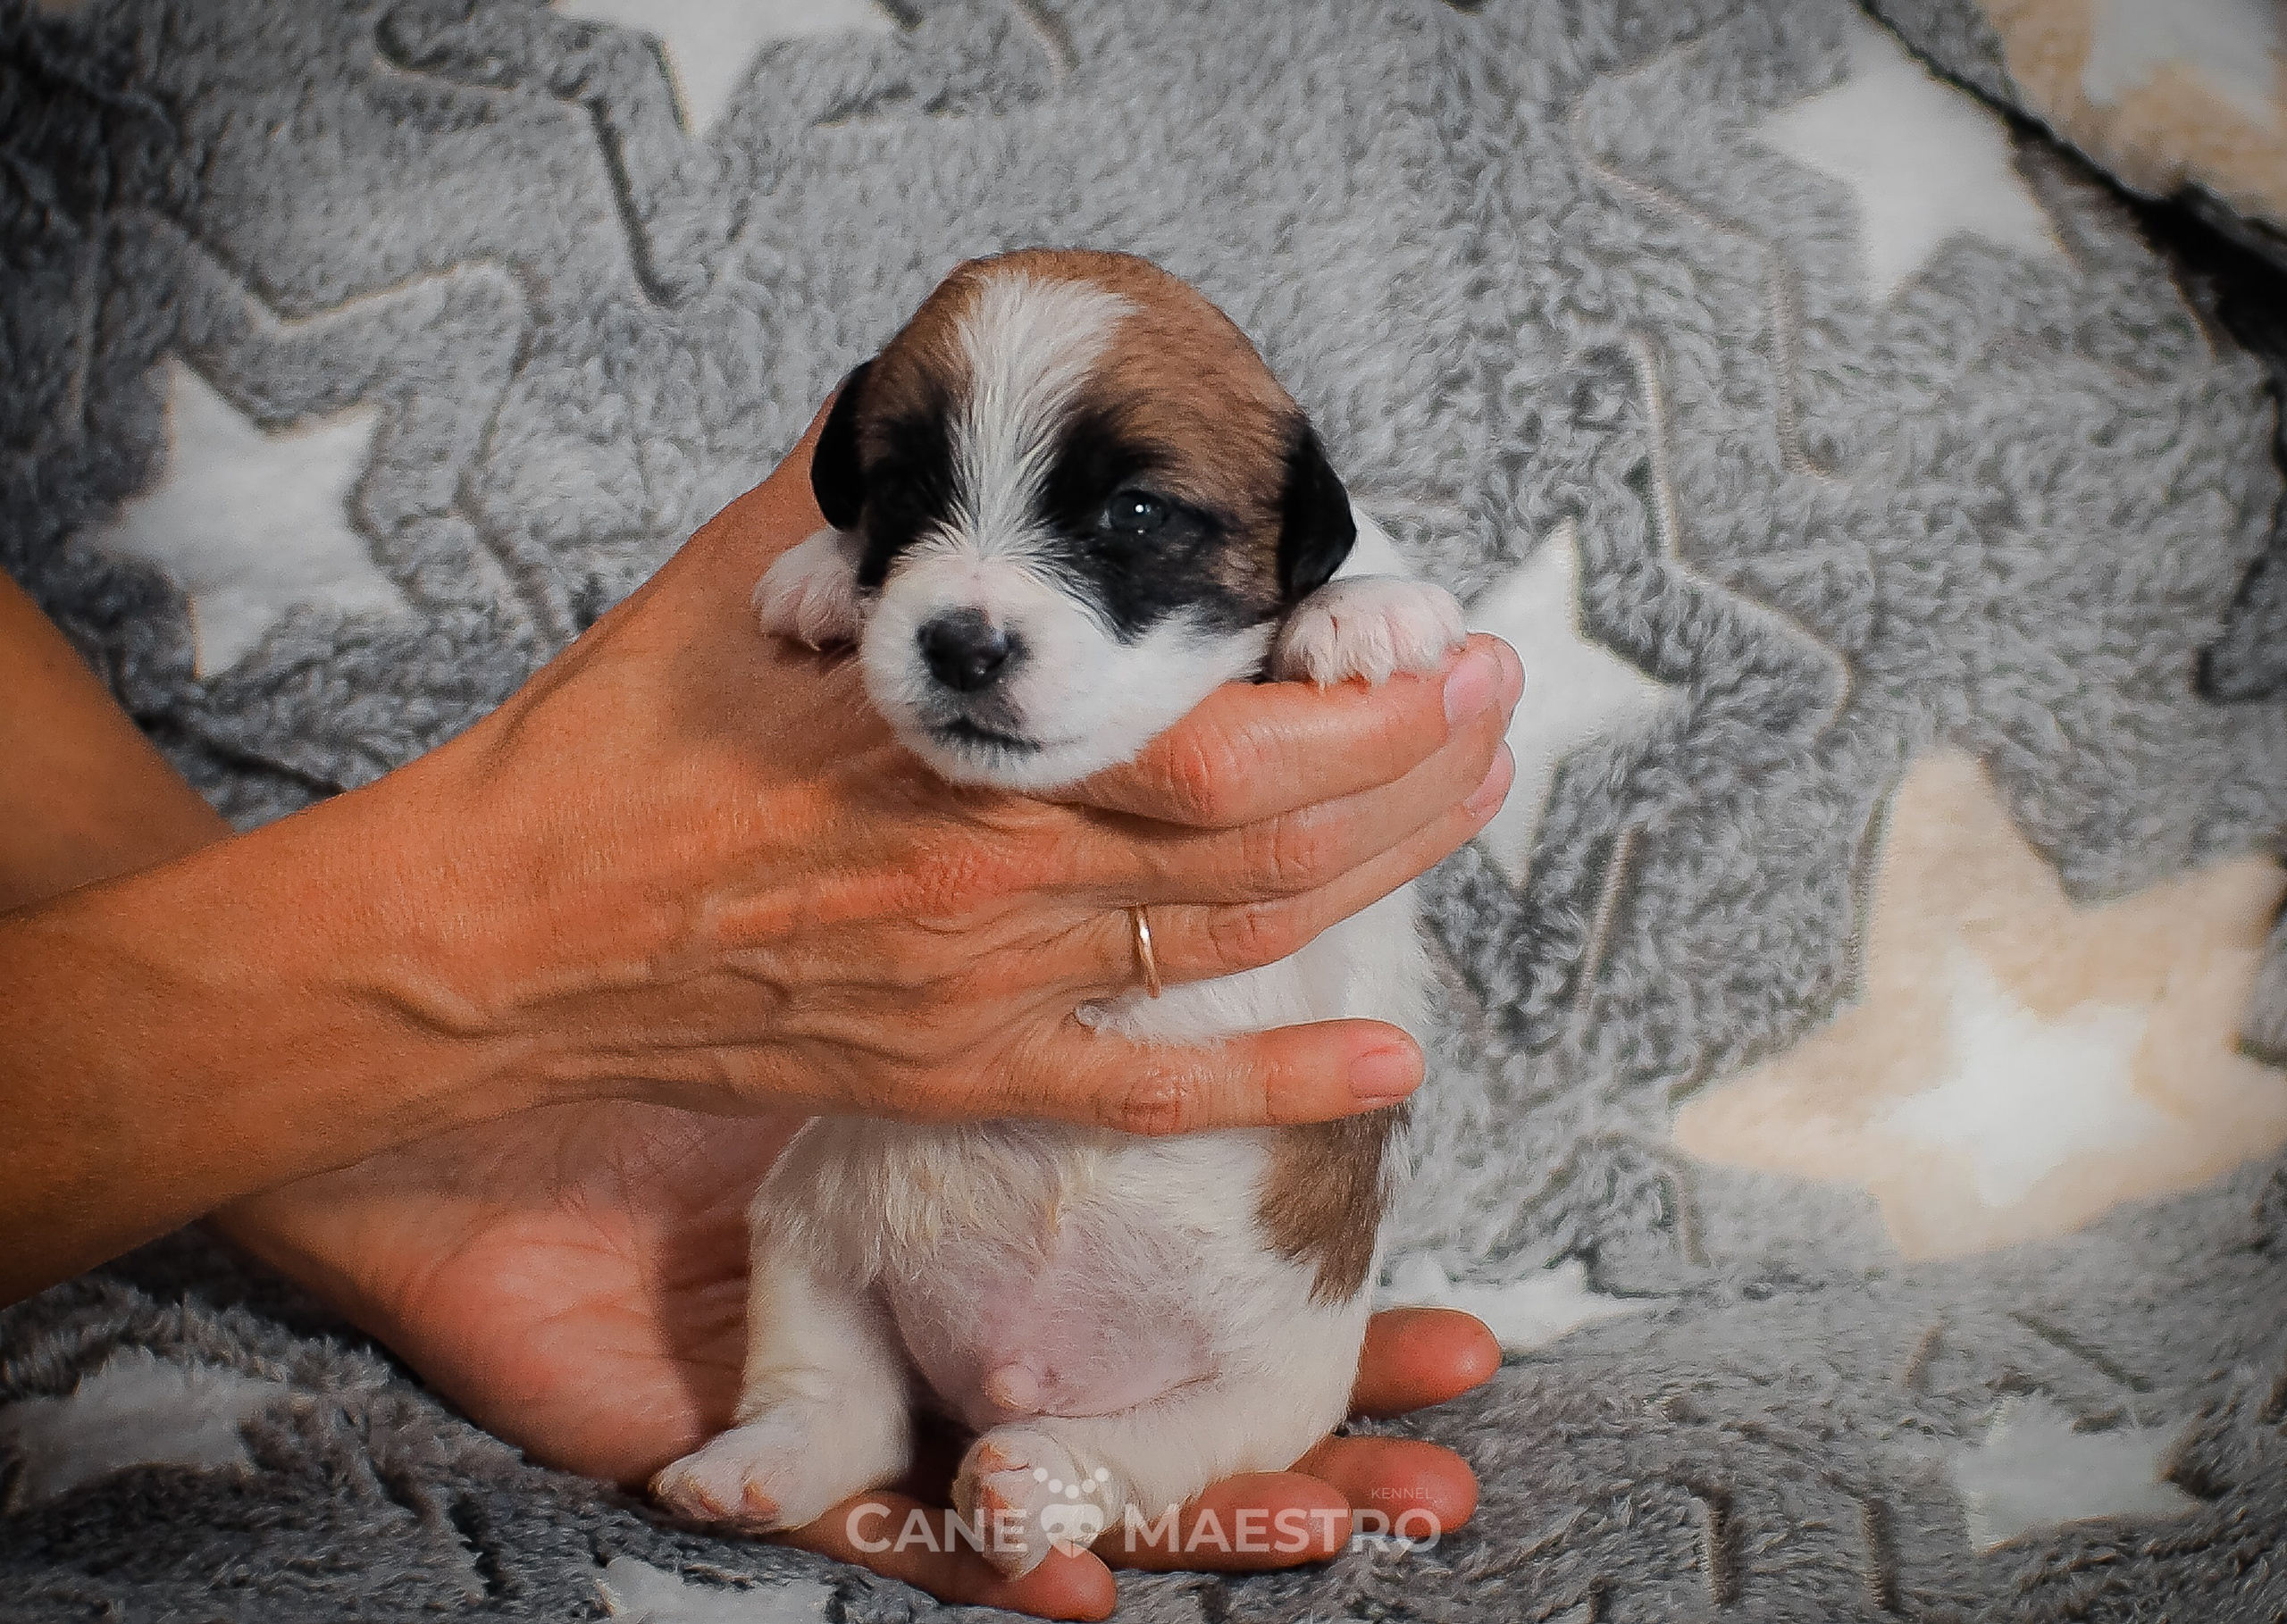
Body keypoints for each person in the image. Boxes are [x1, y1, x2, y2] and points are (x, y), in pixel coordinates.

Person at [0, 401, 1522, 1619]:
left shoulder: (1298, 562)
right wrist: (485, 985)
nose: (976, 600)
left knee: (1266, 1383)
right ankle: (828, 1411)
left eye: (1126, 523)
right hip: (916, 1203)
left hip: (1217, 1261)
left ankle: (1098, 1459)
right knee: (815, 1208)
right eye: (903, 510)